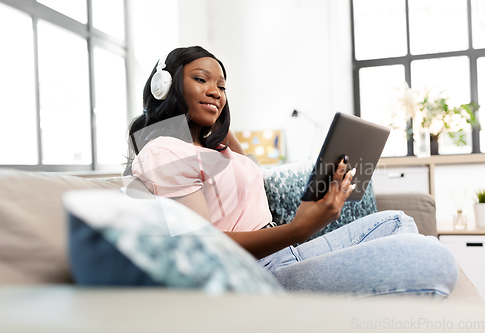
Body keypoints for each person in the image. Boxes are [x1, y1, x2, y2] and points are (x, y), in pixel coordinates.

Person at [125, 46, 458, 298]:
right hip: (253, 274)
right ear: (165, 87)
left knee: (397, 221)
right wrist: (299, 228)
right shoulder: (164, 150)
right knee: (434, 260)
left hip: (283, 255)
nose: (215, 91)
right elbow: (205, 248)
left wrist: (217, 127)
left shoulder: (214, 150)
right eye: (201, 80)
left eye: (222, 87)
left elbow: (255, 174)